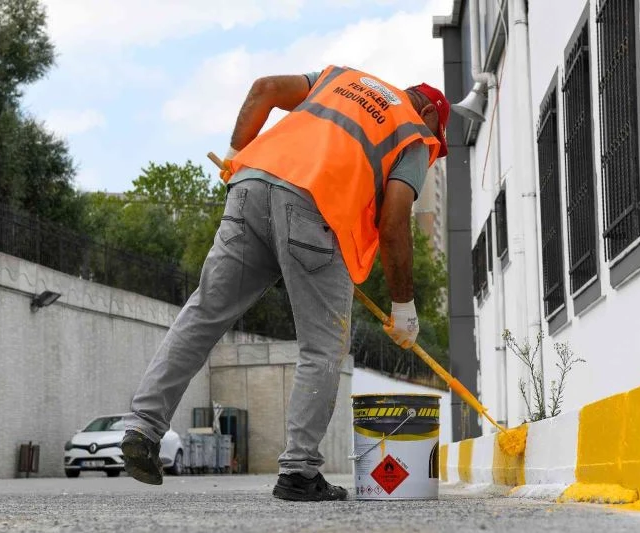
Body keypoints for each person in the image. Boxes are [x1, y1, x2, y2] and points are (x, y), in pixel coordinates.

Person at [121, 65, 450, 501]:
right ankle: (298, 472)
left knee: (203, 314)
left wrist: (236, 157)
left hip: (251, 185)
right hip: (316, 211)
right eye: (436, 142)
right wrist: (404, 306)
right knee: (323, 346)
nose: (431, 153)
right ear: (428, 111)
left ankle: (143, 427)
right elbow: (394, 221)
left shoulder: (340, 78)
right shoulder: (412, 131)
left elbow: (265, 90)